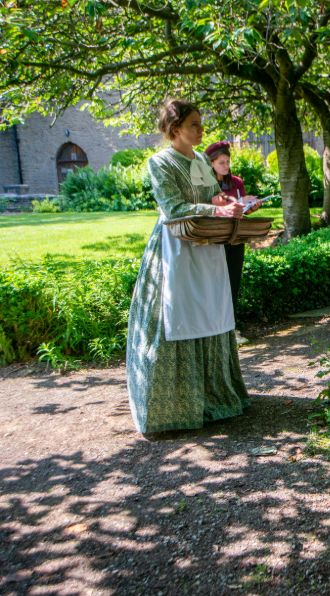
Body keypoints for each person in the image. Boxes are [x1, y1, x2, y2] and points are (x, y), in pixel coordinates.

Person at [125, 99, 250, 435]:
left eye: (200, 123)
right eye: (195, 124)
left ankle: (213, 396)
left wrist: (228, 203)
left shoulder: (201, 161)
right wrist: (218, 211)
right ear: (175, 128)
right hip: (176, 247)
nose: (201, 129)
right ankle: (175, 406)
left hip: (207, 246)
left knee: (211, 312)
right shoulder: (160, 162)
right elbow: (174, 207)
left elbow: (212, 196)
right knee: (179, 315)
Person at [205, 140, 256, 345]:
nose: (226, 166)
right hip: (215, 239)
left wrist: (250, 206)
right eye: (221, 163)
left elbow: (241, 208)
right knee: (215, 284)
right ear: (211, 164)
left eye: (227, 162)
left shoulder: (236, 182)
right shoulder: (206, 185)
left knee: (233, 282)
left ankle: (232, 330)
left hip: (235, 237)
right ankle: (214, 331)